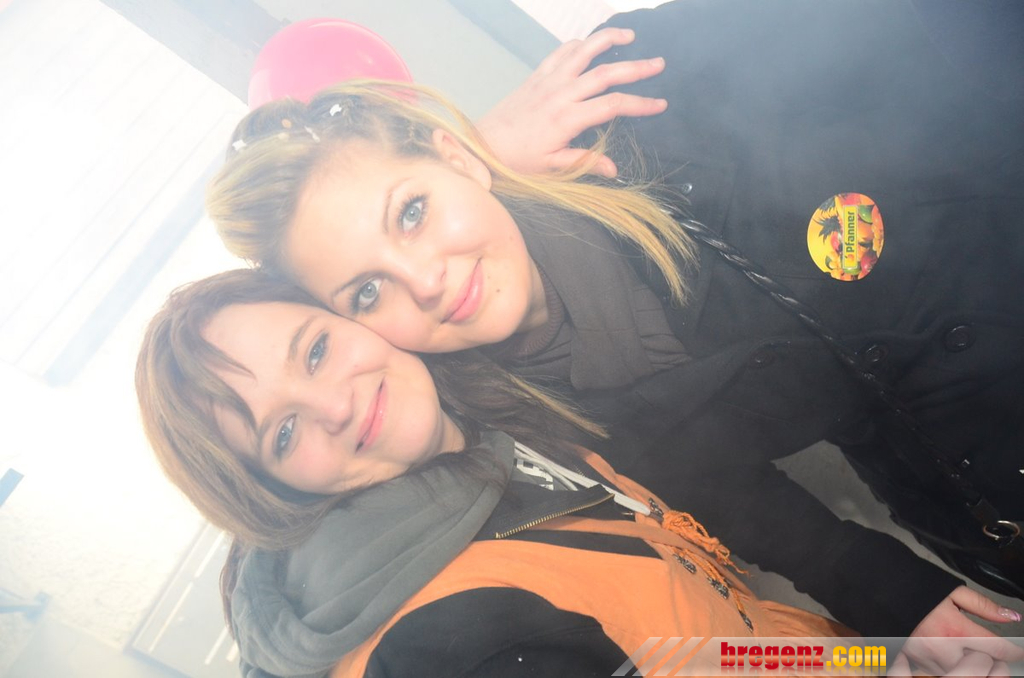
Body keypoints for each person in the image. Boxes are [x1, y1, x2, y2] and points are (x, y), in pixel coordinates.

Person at [203, 1, 1024, 648]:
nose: (424, 282)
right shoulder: (539, 408)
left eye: (411, 212)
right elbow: (734, 496)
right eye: (365, 292)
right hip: (978, 508)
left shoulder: (643, 89)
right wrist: (900, 598)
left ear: (454, 156)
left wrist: (479, 163)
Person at [135, 268, 859, 678]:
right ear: (276, 493)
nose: (334, 405)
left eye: (316, 349)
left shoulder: (484, 422)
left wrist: (892, 654)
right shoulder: (447, 645)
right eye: (284, 433)